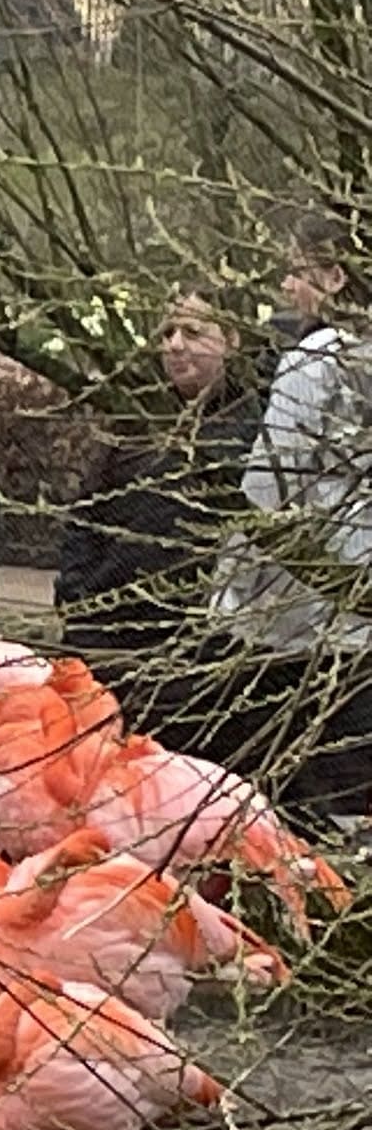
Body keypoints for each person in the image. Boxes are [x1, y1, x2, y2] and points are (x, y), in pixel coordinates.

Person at [60, 295, 256, 754]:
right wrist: (75, 601)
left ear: (230, 340)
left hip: (195, 654)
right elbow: (85, 517)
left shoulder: (253, 431)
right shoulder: (138, 422)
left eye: (192, 333)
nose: (175, 345)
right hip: (105, 641)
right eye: (168, 333)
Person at [223, 222, 372, 815]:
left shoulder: (318, 358)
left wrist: (234, 596)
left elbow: (270, 488)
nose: (286, 286)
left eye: (295, 271)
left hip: (313, 618)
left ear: (335, 278)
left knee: (305, 795)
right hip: (361, 610)